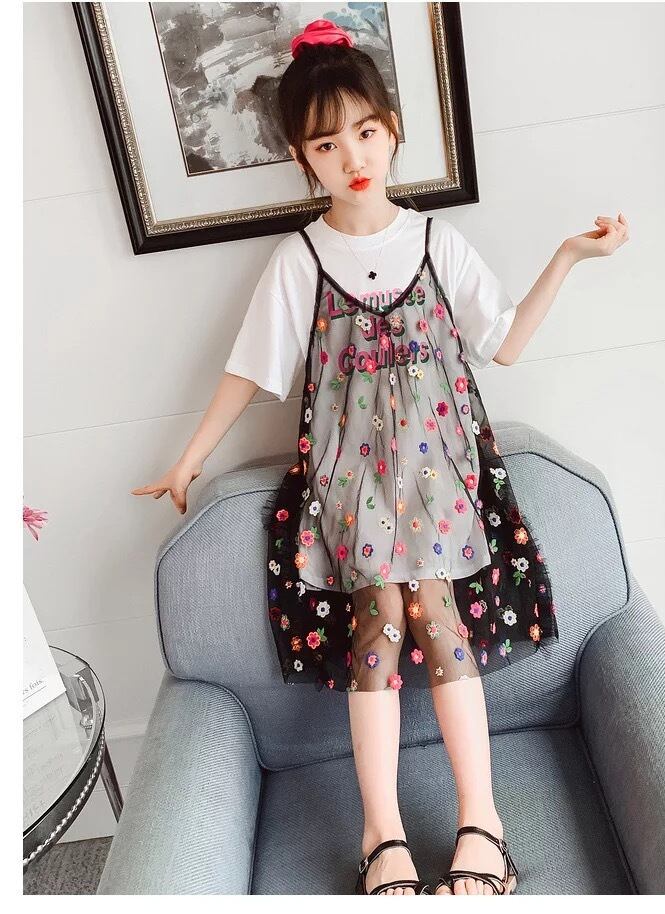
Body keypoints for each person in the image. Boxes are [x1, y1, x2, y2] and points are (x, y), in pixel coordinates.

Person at [131, 18, 629, 896]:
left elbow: (504, 344)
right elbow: (250, 369)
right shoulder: (299, 261)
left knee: (440, 618)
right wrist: (190, 460)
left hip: (441, 485)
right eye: (327, 143)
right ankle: (382, 833)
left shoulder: (437, 243)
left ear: (392, 130)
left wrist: (568, 257)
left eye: (365, 131)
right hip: (351, 487)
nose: (352, 156)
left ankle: (482, 822)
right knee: (379, 626)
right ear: (303, 157)